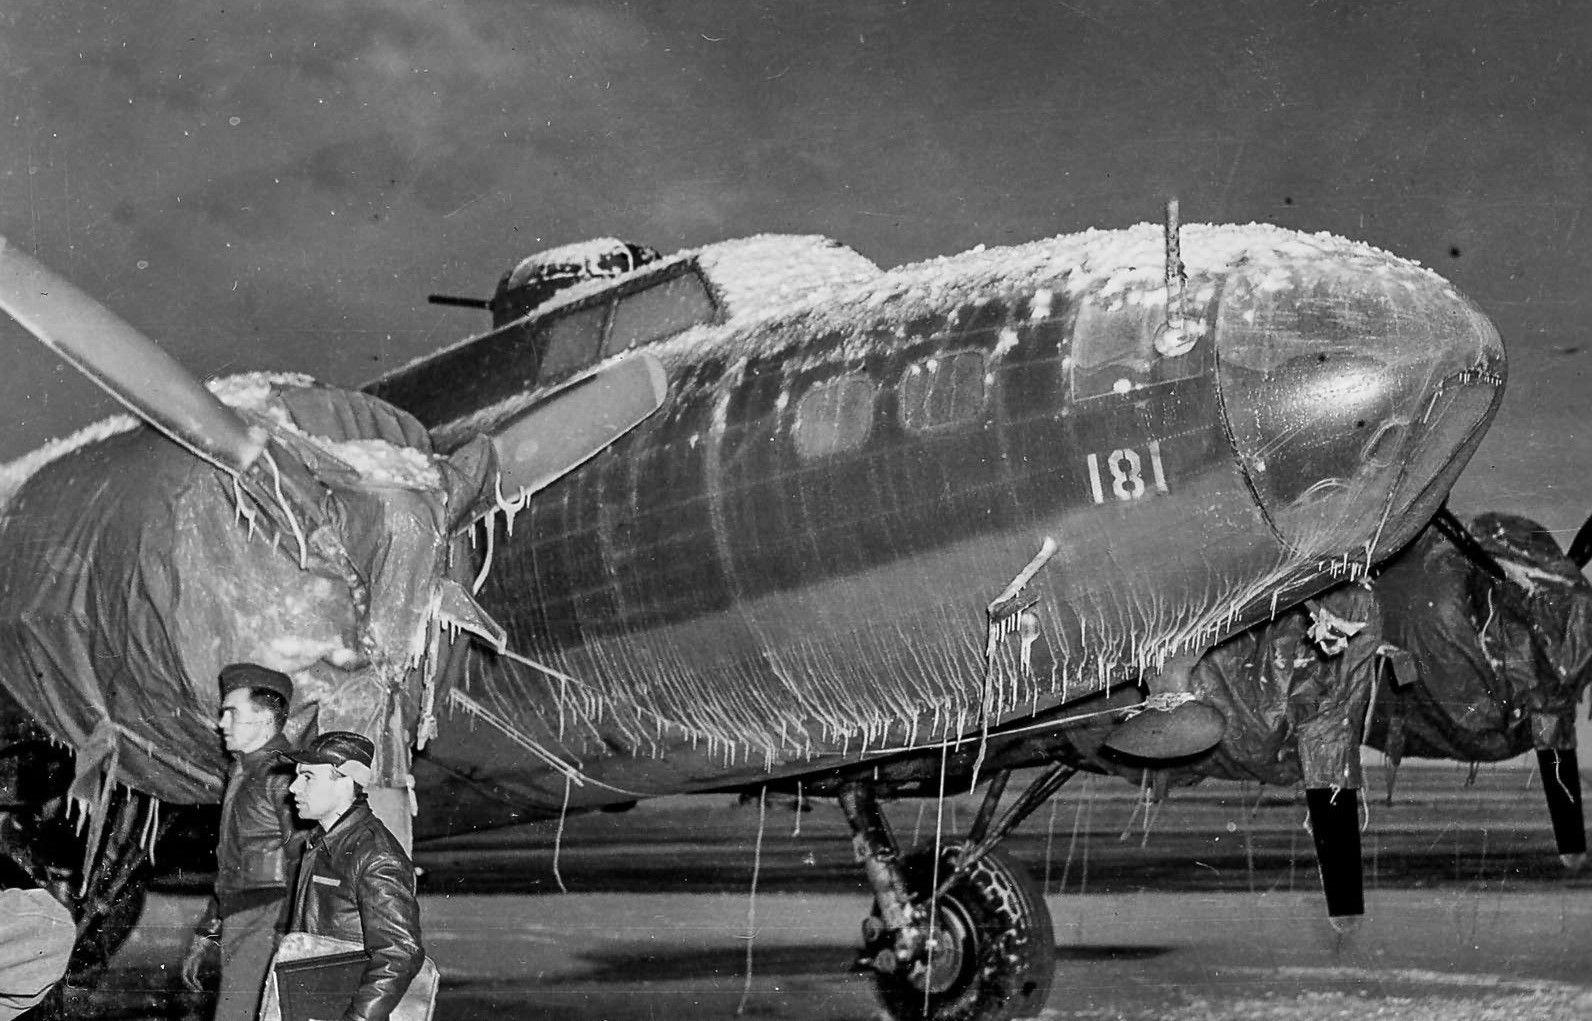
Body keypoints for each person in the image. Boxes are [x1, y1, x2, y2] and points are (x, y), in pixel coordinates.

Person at [182, 663, 298, 1021]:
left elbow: (302, 856)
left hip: (268, 915)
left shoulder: (283, 775)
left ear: (264, 719)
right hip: (244, 914)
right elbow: (232, 858)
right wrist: (209, 928)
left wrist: (288, 931)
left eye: (231, 713)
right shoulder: (243, 771)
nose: (221, 724)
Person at [282, 732, 423, 1021]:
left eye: (308, 777)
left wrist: (358, 1018)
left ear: (345, 783)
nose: (294, 787)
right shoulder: (321, 844)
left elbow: (400, 953)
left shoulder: (376, 855)